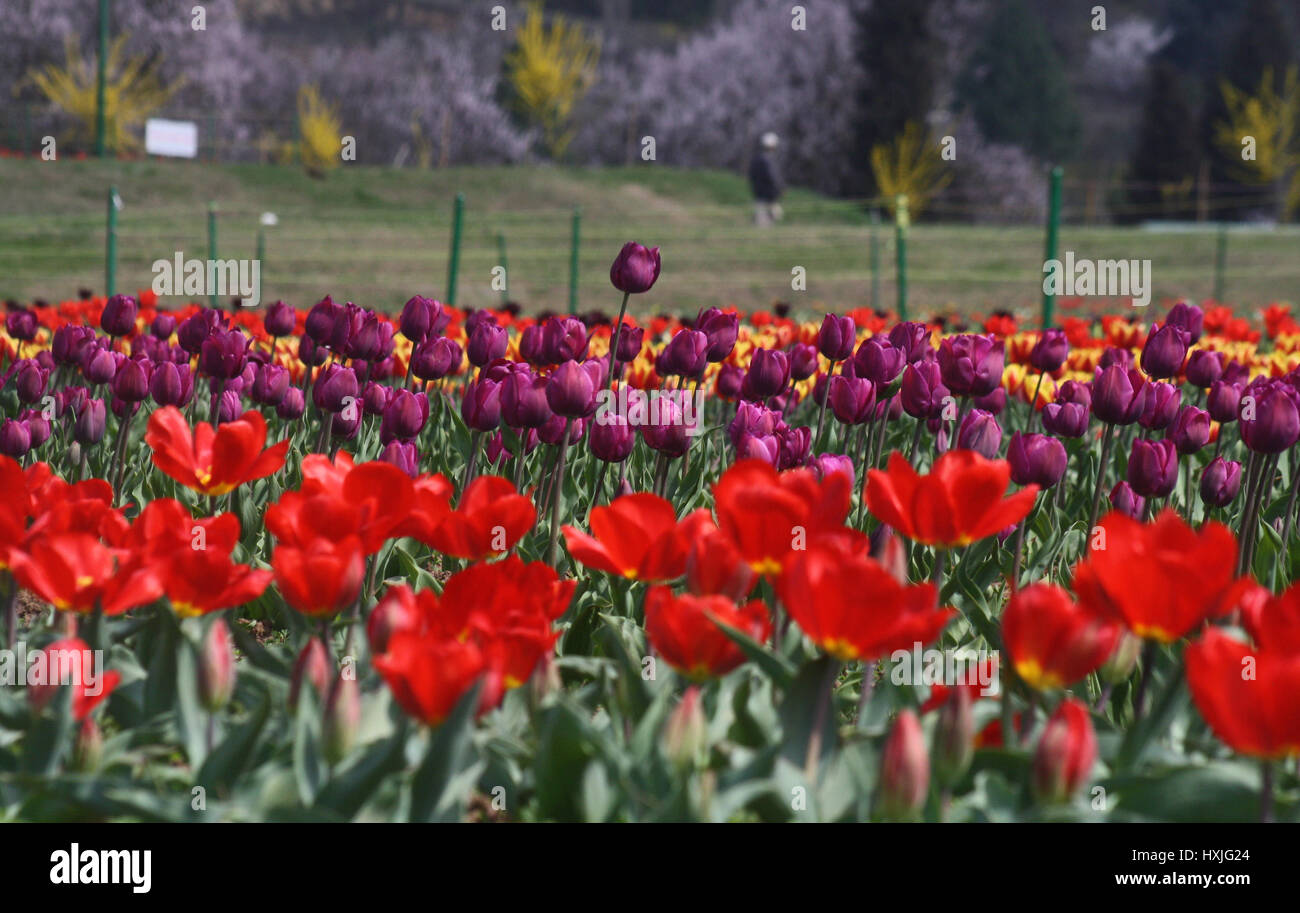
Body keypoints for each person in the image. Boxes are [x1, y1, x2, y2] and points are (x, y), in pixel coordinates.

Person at [748, 132, 784, 226]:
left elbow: (751, 176)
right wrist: (780, 188)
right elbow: (773, 176)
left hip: (759, 193)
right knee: (771, 217)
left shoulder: (756, 159)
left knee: (762, 217)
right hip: (769, 194)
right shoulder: (768, 160)